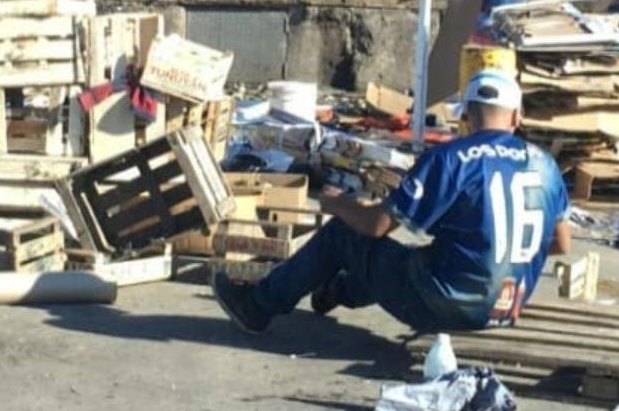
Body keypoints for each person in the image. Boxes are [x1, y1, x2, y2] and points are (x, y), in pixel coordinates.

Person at [211, 69, 571, 335]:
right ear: (517, 117)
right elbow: (560, 243)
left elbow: (376, 225)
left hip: (446, 304)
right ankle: (335, 291)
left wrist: (338, 204)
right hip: (507, 308)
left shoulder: (451, 158)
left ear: (465, 116)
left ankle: (256, 308)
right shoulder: (547, 165)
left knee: (346, 236)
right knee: (405, 260)